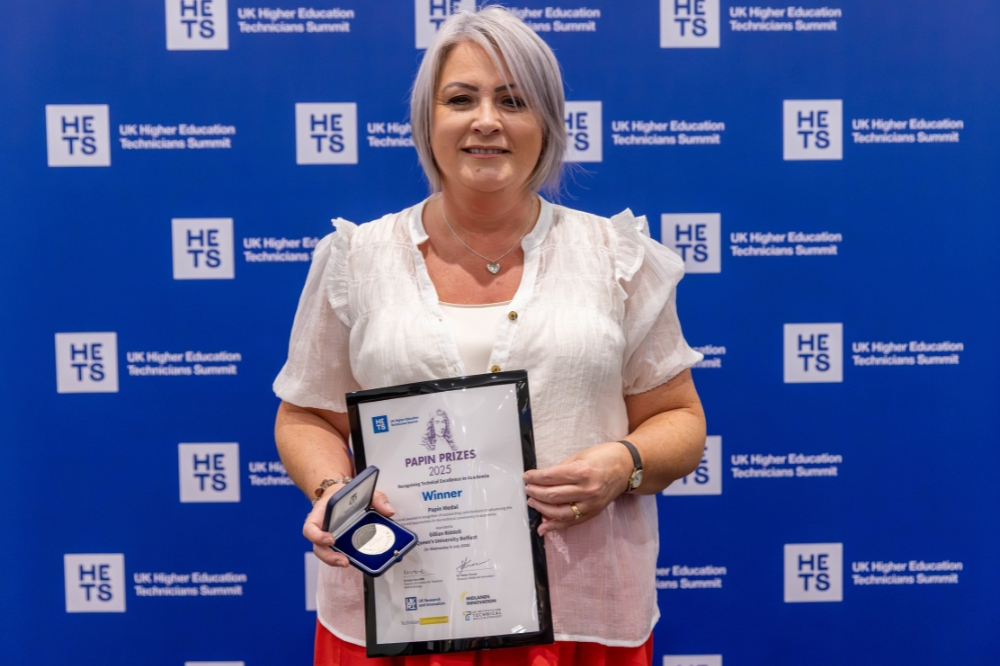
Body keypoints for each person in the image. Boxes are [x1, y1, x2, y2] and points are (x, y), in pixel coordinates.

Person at [273, 7, 707, 665]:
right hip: (396, 602)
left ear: (548, 125)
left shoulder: (618, 256)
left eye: (513, 101)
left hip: (576, 614)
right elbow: (306, 414)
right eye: (460, 99)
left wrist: (622, 465)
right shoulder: (355, 258)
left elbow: (680, 419)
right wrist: (335, 495)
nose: (486, 120)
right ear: (427, 122)